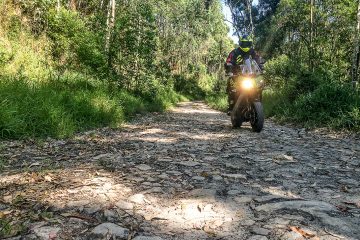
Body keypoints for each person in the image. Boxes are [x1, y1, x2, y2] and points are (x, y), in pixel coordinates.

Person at [224, 34, 260, 115]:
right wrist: (229, 70)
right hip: (237, 75)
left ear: (250, 44)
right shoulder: (234, 52)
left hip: (250, 76)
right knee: (232, 87)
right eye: (244, 43)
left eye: (248, 43)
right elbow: (228, 61)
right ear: (240, 43)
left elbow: (258, 61)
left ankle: (258, 105)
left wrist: (261, 68)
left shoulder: (253, 52)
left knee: (260, 86)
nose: (246, 45)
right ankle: (231, 106)